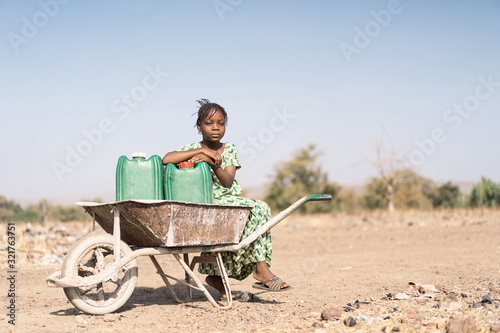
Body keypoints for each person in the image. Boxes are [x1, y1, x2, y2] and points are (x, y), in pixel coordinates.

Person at [162, 99, 291, 298]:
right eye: (209, 123)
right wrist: (202, 151)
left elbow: (228, 182)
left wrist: (213, 164)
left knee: (260, 209)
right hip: (204, 201)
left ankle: (225, 275)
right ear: (199, 126)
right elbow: (166, 159)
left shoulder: (229, 149)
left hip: (226, 199)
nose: (215, 127)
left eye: (220, 123)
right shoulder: (191, 147)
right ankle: (261, 270)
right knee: (258, 208)